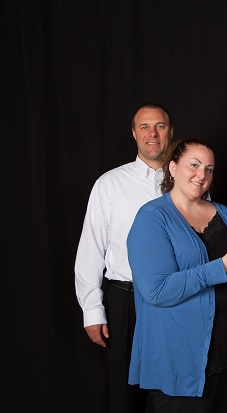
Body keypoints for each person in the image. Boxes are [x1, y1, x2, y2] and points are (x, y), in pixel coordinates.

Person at [126, 138, 227, 412]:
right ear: (173, 168)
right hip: (179, 356)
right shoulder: (152, 217)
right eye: (194, 165)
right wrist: (221, 265)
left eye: (209, 168)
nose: (202, 174)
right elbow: (157, 290)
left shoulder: (223, 214)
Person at [75, 103, 174, 413]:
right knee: (124, 392)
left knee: (172, 390)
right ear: (134, 133)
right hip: (125, 301)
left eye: (159, 126)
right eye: (144, 127)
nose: (152, 134)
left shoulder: (191, 181)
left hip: (176, 300)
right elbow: (91, 248)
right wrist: (92, 309)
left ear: (170, 132)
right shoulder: (109, 184)